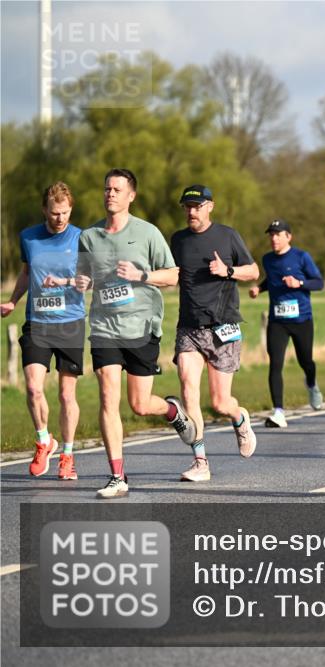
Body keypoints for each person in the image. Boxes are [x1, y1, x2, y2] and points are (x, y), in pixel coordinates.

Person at [75, 168, 193, 498]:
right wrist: (83, 283)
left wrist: (141, 275)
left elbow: (173, 276)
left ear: (131, 196)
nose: (110, 194)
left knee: (139, 404)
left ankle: (171, 410)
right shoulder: (88, 237)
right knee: (107, 396)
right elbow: (84, 276)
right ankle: (117, 476)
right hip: (104, 328)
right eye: (106, 189)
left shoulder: (148, 233)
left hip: (142, 326)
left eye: (116, 189)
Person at [169, 185, 259, 482]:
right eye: (187, 207)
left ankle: (239, 418)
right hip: (189, 328)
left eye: (196, 206)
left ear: (210, 206)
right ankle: (200, 461)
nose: (191, 212)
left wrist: (228, 272)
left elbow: (253, 271)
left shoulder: (228, 235)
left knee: (220, 403)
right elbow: (170, 275)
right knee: (188, 389)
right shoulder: (178, 240)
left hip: (223, 326)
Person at [1, 182, 86, 481]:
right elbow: (26, 274)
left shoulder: (81, 238)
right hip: (37, 321)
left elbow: (89, 279)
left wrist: (63, 283)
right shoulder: (29, 237)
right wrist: (13, 301)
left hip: (71, 322)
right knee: (34, 388)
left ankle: (68, 455)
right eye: (54, 213)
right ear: (44, 210)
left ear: (70, 210)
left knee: (66, 395)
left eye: (64, 213)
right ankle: (43, 440)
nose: (60, 218)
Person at [250, 219, 325, 428]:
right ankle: (278, 412)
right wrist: (259, 288)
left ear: (288, 237)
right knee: (275, 364)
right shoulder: (267, 259)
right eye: (271, 234)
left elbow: (319, 283)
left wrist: (299, 283)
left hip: (302, 320)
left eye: (278, 234)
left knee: (306, 362)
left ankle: (311, 384)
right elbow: (271, 280)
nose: (274, 238)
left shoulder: (301, 257)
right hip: (277, 321)